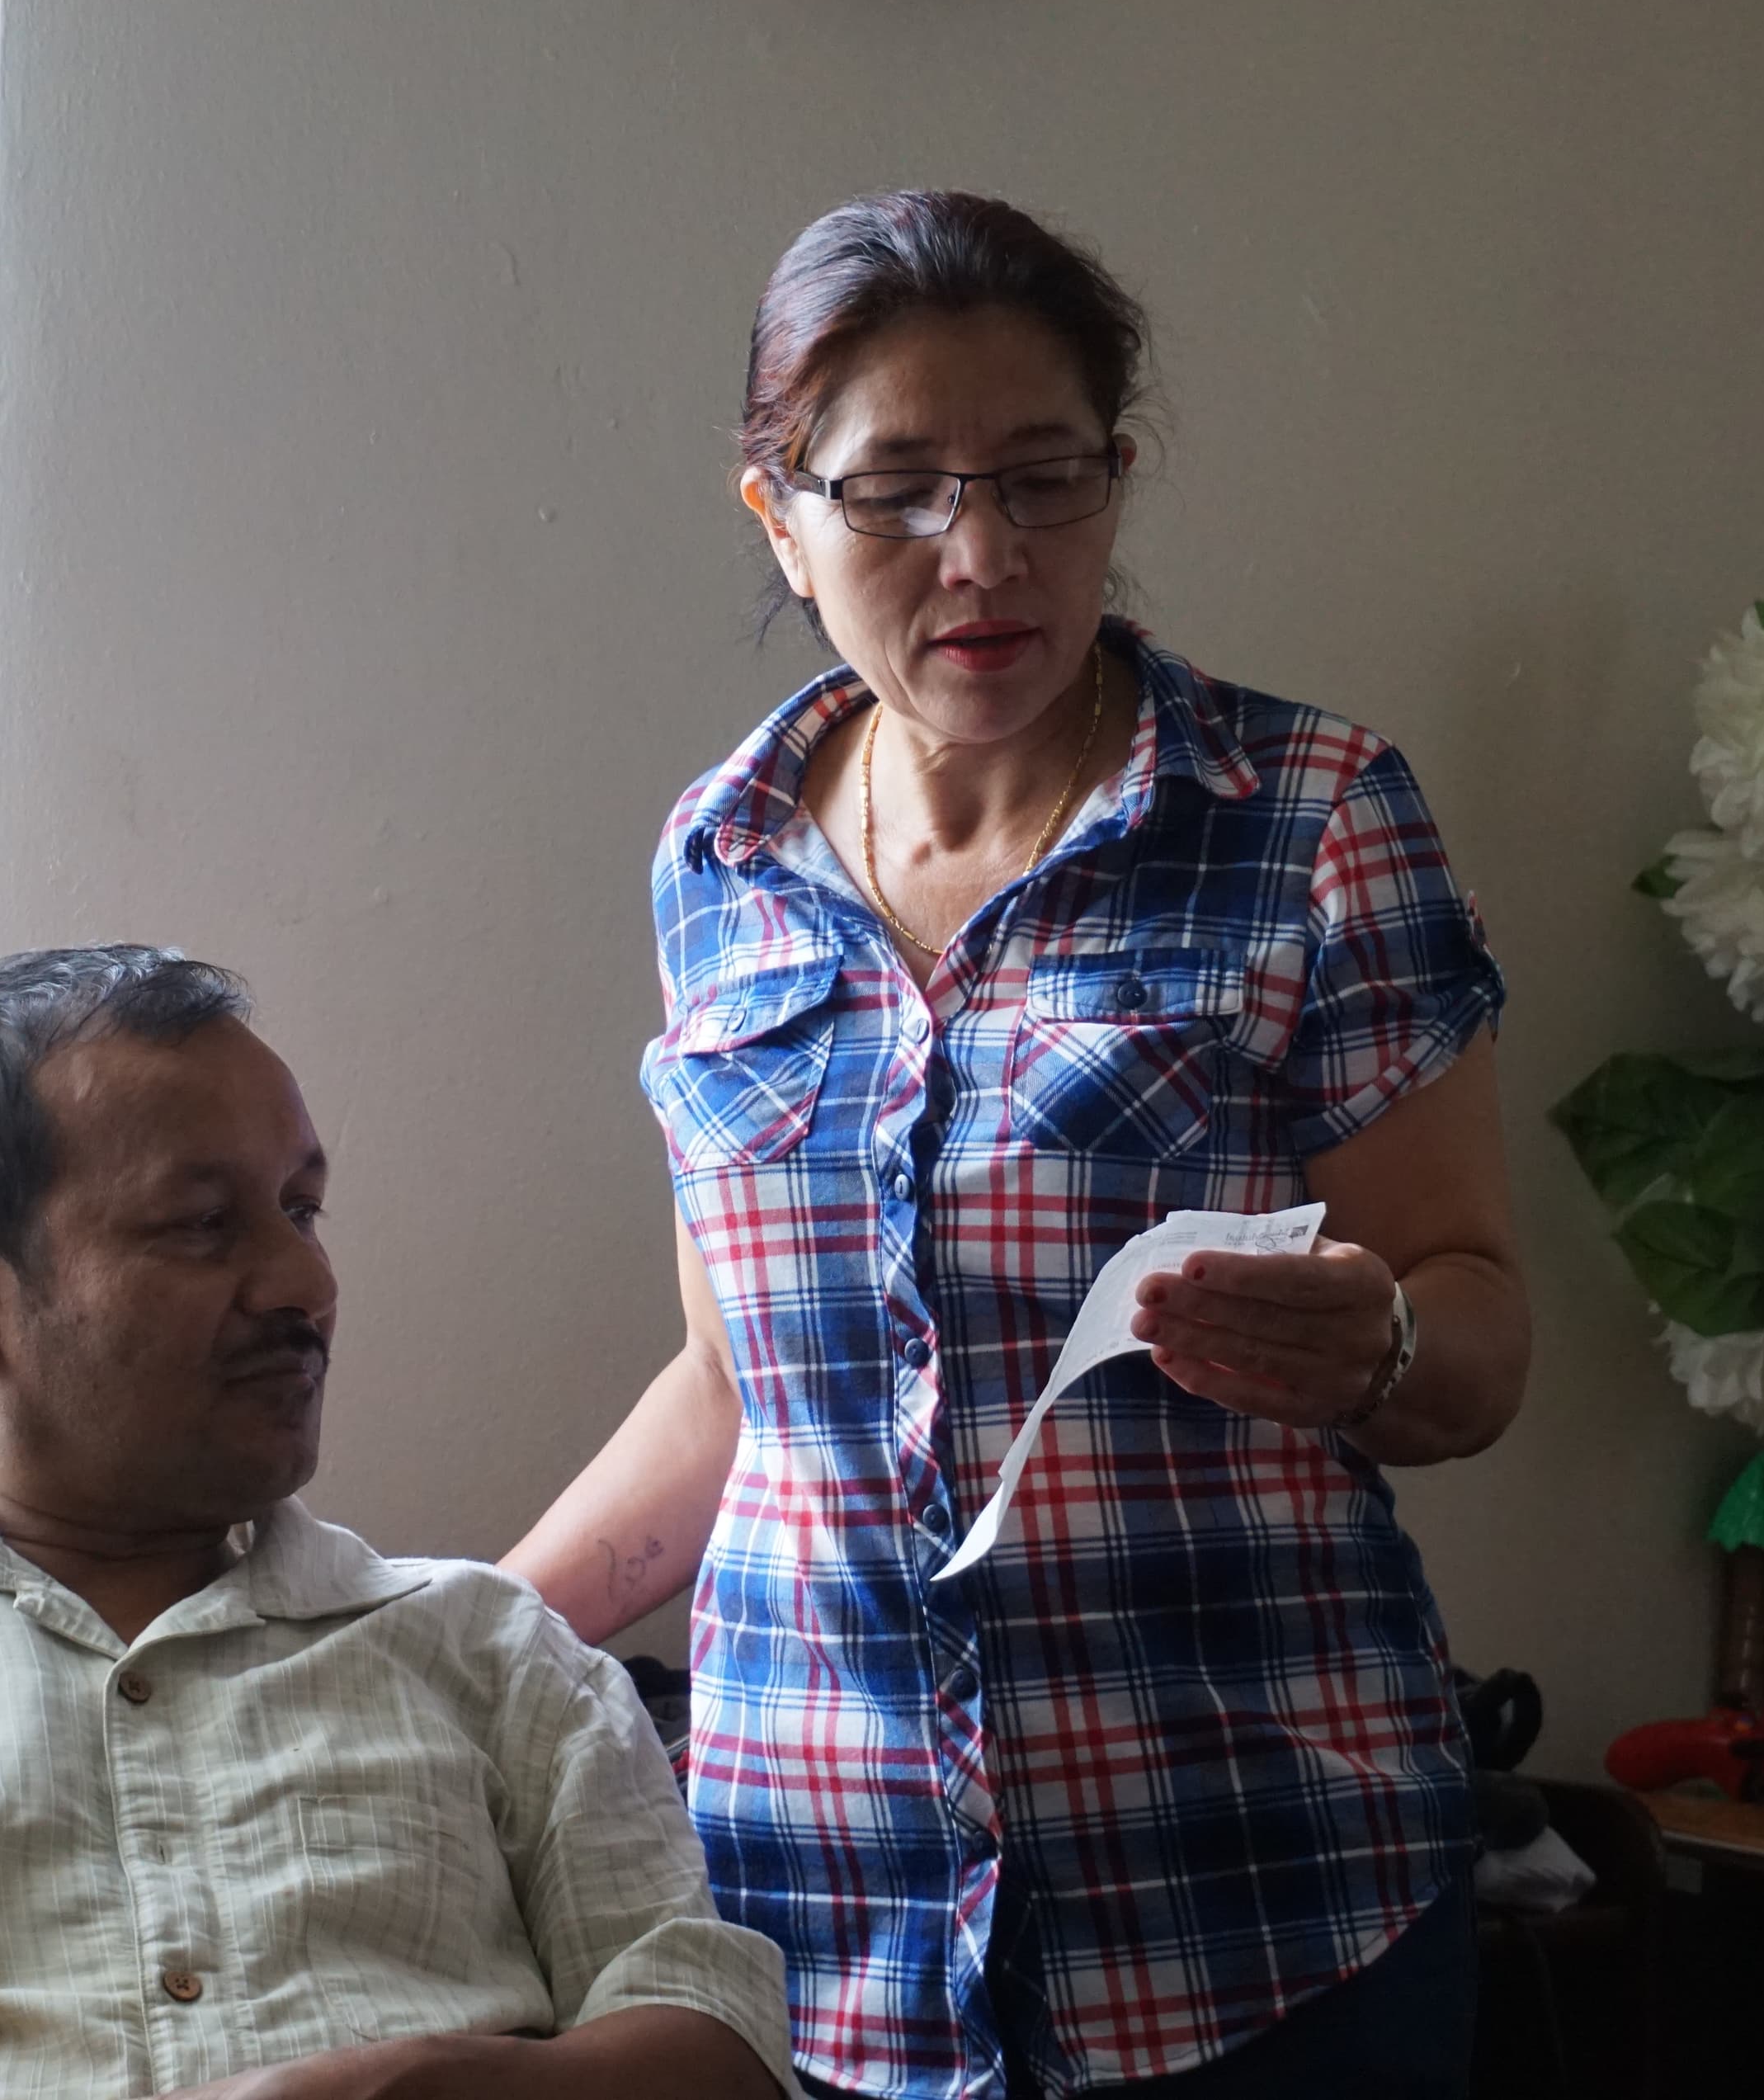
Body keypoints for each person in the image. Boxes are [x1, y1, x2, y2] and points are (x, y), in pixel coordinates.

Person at [505, 192, 1533, 2100]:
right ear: (779, 514)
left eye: (1044, 480)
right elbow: (740, 1384)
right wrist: (461, 1641)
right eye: (894, 490)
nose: (982, 553)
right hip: (812, 1931)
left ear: (1116, 482)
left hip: (1252, 1913)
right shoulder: (719, 860)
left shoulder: (1304, 816)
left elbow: (1476, 1328)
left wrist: (1375, 1340)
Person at [0, 947, 795, 2100]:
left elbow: (716, 2046)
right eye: (204, 1225)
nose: (305, 1282)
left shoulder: (492, 1652)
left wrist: (434, 2081)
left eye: (301, 1208)